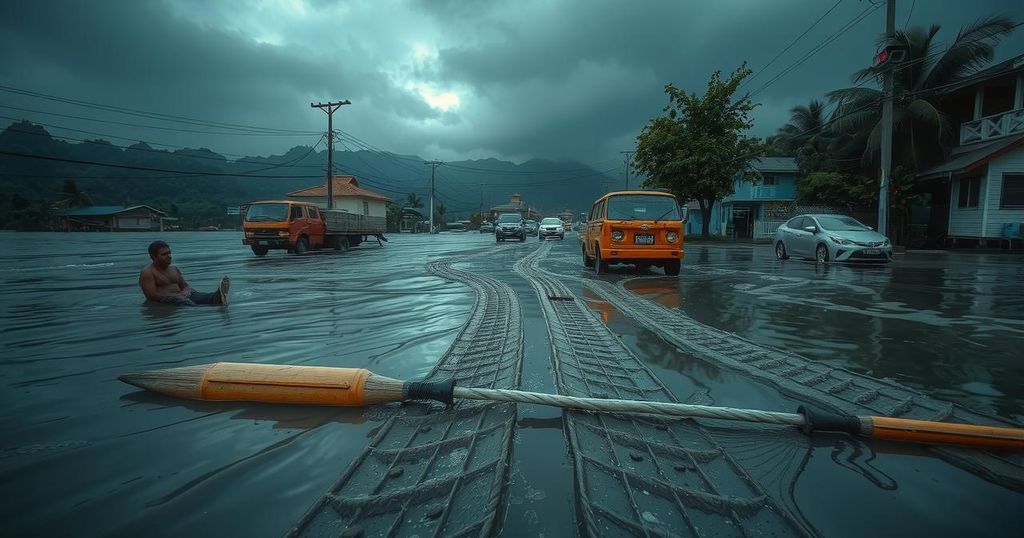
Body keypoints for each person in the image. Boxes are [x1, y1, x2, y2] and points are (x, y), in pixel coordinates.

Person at [140, 240, 229, 306]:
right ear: (153, 257)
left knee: (201, 296)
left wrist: (186, 291)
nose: (169, 256)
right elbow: (151, 295)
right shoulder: (147, 273)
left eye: (169, 253)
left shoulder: (174, 269)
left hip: (182, 294)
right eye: (164, 254)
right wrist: (178, 295)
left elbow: (185, 285)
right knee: (189, 304)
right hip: (167, 299)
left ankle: (216, 297)